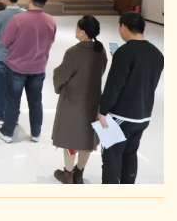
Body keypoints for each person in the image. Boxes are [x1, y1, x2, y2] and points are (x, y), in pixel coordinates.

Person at [98, 12, 164, 184]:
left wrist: (103, 110)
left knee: (111, 157)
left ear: (124, 27)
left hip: (121, 116)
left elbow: (114, 85)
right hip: (143, 116)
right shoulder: (157, 54)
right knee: (130, 154)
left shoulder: (124, 52)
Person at [0, 0, 56, 144]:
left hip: (16, 67)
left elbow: (5, 41)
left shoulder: (18, 19)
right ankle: (36, 134)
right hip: (38, 67)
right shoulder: (50, 20)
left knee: (12, 100)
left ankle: (7, 132)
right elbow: (51, 40)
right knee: (35, 101)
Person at [52, 15, 108, 184]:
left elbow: (61, 75)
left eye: (77, 28)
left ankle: (68, 173)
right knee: (87, 138)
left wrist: (58, 86)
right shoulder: (100, 50)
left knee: (71, 135)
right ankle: (79, 172)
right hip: (93, 99)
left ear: (83, 32)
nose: (75, 30)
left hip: (73, 100)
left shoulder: (74, 52)